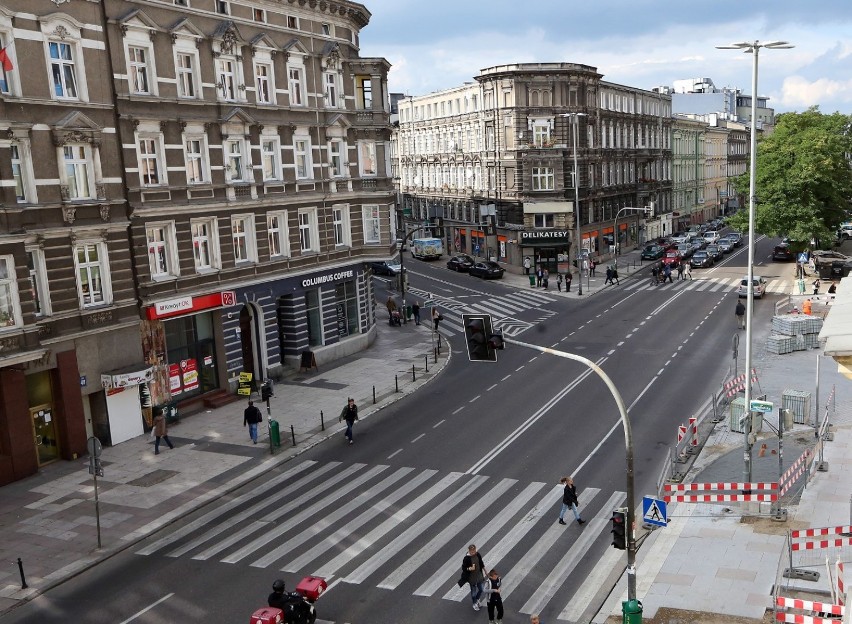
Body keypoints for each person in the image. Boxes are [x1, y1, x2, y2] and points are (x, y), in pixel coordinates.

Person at [458, 544, 487, 611]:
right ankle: (474, 603)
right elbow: (463, 568)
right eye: (471, 552)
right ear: (469, 551)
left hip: (479, 575)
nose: (473, 553)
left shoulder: (478, 554)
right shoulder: (466, 558)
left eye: (474, 551)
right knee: (473, 592)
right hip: (471, 577)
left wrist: (485, 571)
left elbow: (481, 563)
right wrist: (469, 568)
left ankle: (477, 599)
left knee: (481, 589)